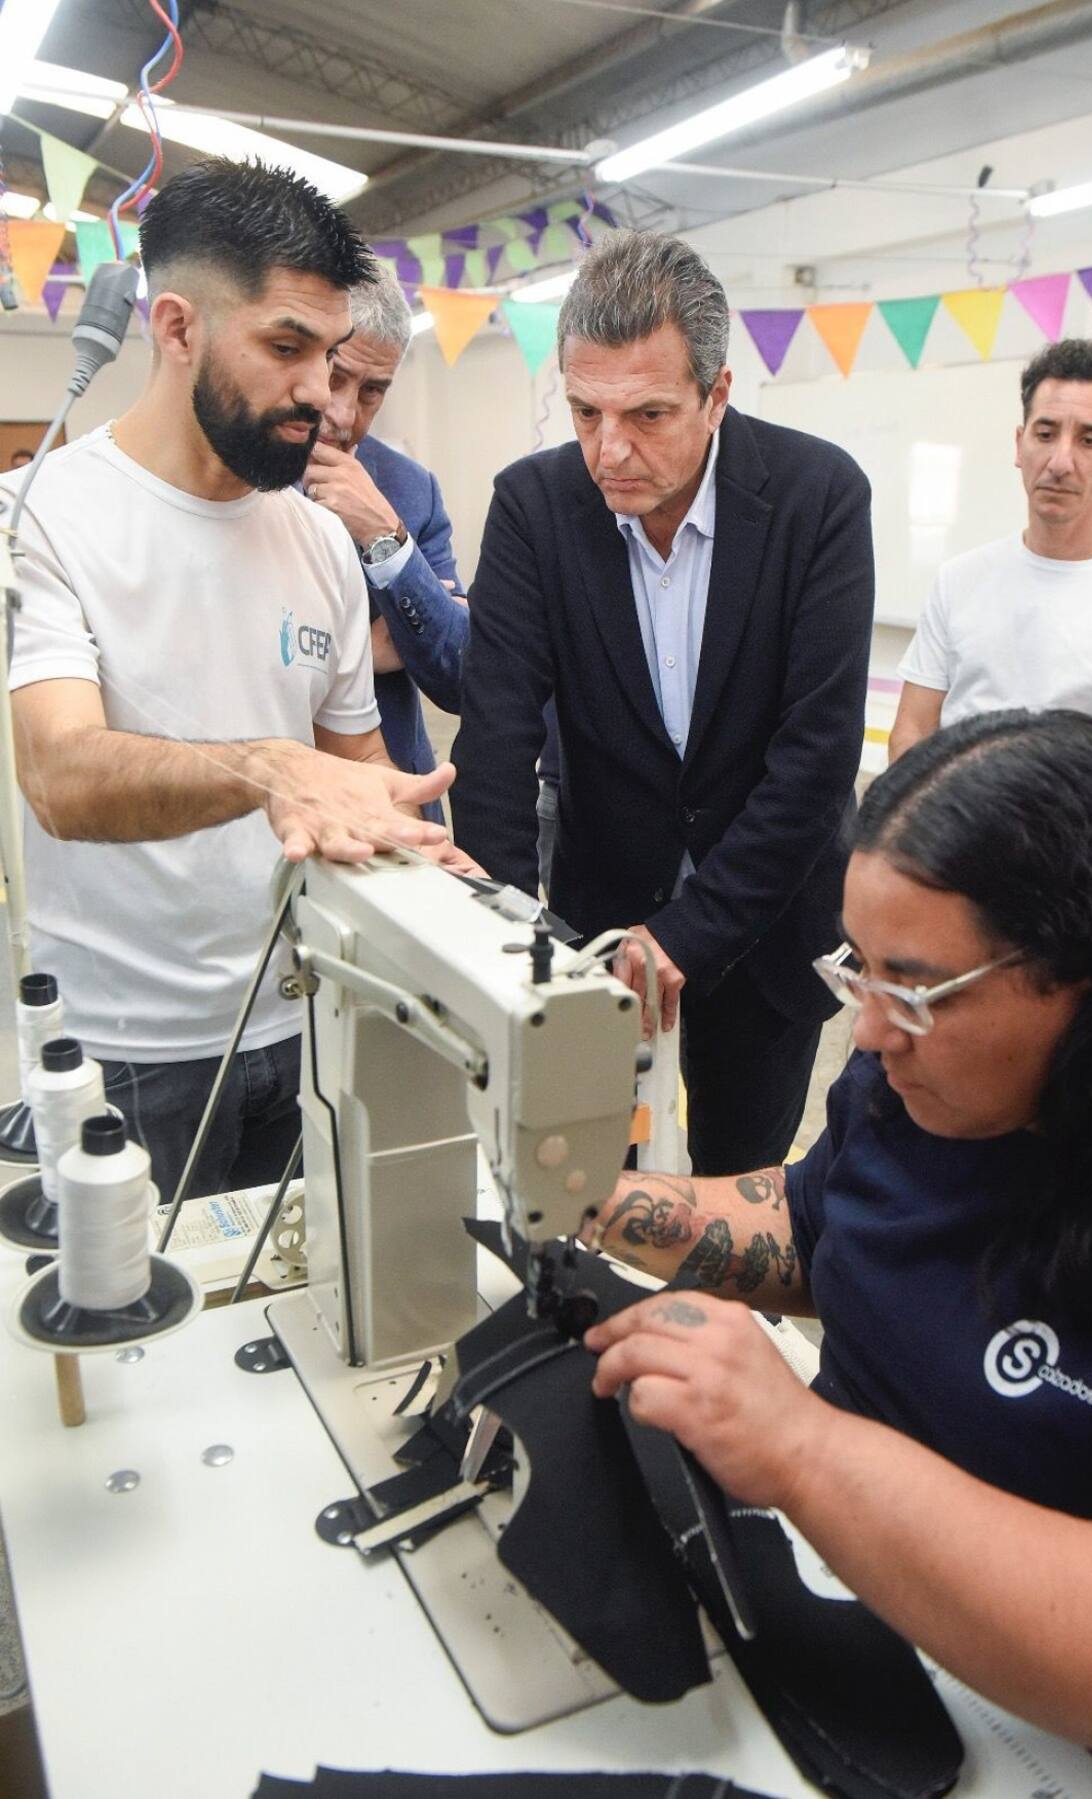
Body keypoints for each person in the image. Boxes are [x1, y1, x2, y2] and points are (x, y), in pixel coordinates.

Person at [585, 709, 1092, 1798]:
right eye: (856, 971)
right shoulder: (917, 1083)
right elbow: (820, 1227)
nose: (868, 1032)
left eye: (912, 988)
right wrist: (594, 1202)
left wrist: (803, 1448)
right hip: (854, 1632)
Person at [3, 156, 462, 1205]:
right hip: (125, 1048)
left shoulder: (314, 539)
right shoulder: (43, 518)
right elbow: (62, 778)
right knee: (139, 1345)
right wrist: (266, 767)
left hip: (311, 1015)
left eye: (336, 354)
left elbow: (356, 772)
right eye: (286, 348)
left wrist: (439, 868)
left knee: (302, 1320)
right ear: (176, 328)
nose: (322, 395)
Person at [451, 230, 874, 1176]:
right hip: (594, 933)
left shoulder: (818, 499)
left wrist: (684, 935)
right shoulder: (533, 505)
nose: (611, 450)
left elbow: (814, 761)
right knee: (593, 1191)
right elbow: (496, 738)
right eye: (584, 411)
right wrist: (512, 945)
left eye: (647, 414)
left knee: (738, 1195)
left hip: (768, 936)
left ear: (717, 395)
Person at [889, 339, 1092, 765]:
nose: (1059, 461)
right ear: (1020, 443)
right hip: (947, 826)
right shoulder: (959, 579)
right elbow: (913, 731)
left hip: (1073, 830)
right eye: (1046, 434)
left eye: (1089, 440)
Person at [300, 260, 468, 821]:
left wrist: (385, 536)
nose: (345, 415)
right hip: (276, 800)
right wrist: (361, 651)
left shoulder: (408, 490)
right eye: (336, 375)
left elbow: (457, 671)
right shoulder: (237, 477)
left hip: (395, 790)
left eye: (373, 391)